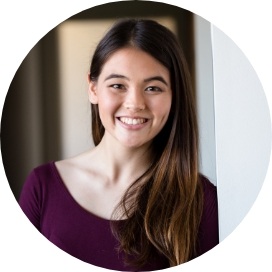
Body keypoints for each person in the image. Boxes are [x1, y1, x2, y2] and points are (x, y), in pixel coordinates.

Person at [19, 18, 219, 271]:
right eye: (117, 85)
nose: (135, 103)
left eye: (153, 88)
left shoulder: (201, 200)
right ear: (92, 88)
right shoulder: (42, 186)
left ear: (174, 96)